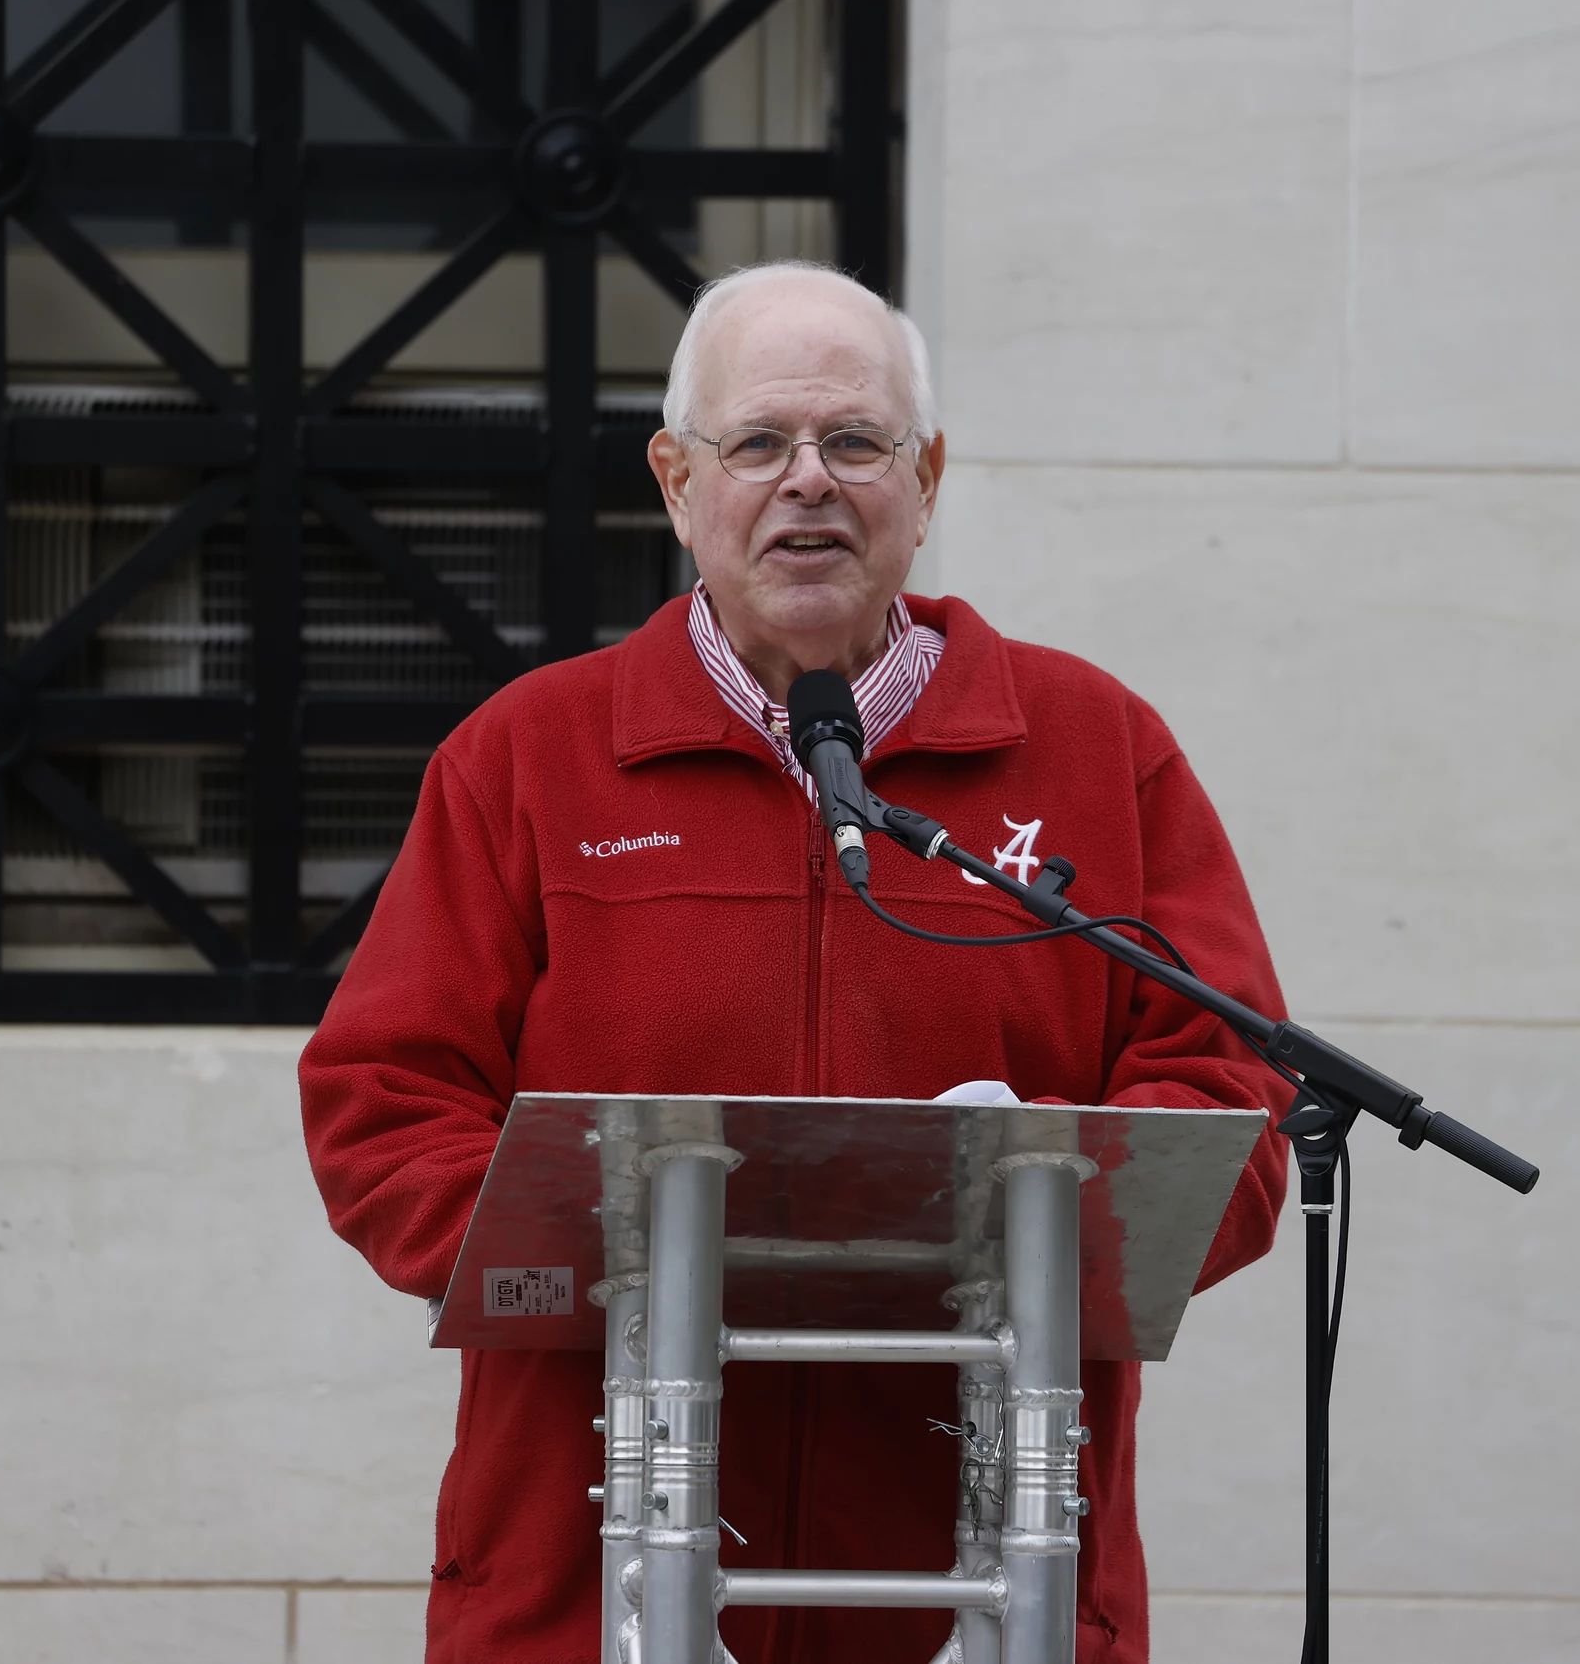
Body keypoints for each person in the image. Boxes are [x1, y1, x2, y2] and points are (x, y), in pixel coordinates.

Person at [299, 260, 1291, 1663]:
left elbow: (1227, 1089)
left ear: (928, 477)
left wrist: (1035, 1208)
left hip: (989, 1603)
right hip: (599, 1590)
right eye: (758, 442)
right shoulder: (528, 758)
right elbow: (382, 1101)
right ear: (675, 480)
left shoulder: (1097, 750)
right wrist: (627, 1253)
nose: (807, 481)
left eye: (856, 442)